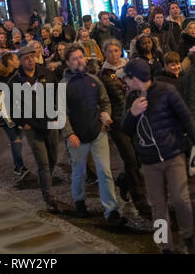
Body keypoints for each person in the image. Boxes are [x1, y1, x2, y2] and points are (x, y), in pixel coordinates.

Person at [121, 58, 195, 254]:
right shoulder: (131, 98)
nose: (125, 82)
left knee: (181, 199)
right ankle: (164, 245)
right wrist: (132, 113)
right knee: (158, 206)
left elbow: (186, 118)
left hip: (173, 155)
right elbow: (125, 129)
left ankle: (189, 236)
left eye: (127, 78)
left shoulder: (166, 91)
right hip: (149, 161)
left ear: (135, 78)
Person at [61, 43, 126, 226]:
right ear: (67, 62)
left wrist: (105, 116)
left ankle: (111, 211)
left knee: (105, 172)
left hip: (98, 132)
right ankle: (79, 202)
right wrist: (69, 134)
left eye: (80, 57)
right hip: (77, 137)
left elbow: (105, 101)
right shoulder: (63, 85)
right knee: (79, 172)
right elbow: (60, 112)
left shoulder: (94, 80)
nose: (79, 61)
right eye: (74, 58)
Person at [99, 39, 150, 216]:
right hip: (118, 122)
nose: (113, 54)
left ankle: (123, 180)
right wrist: (105, 116)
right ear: (105, 53)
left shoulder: (131, 68)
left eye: (116, 50)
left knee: (140, 157)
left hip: (136, 119)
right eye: (110, 51)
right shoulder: (104, 74)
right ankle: (140, 200)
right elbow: (103, 98)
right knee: (131, 160)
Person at [8, 45, 62, 213]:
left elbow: (57, 94)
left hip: (51, 122)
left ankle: (45, 182)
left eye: (32, 56)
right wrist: (23, 123)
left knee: (53, 158)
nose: (30, 60)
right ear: (20, 60)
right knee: (43, 163)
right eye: (26, 58)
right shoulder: (15, 82)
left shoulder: (46, 74)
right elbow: (12, 108)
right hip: (32, 127)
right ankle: (49, 199)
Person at [0, 53, 29, 179]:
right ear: (10, 61)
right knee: (15, 140)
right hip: (5, 113)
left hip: (19, 112)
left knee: (18, 138)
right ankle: (19, 166)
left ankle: (18, 166)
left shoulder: (18, 74)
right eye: (16, 59)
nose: (18, 61)